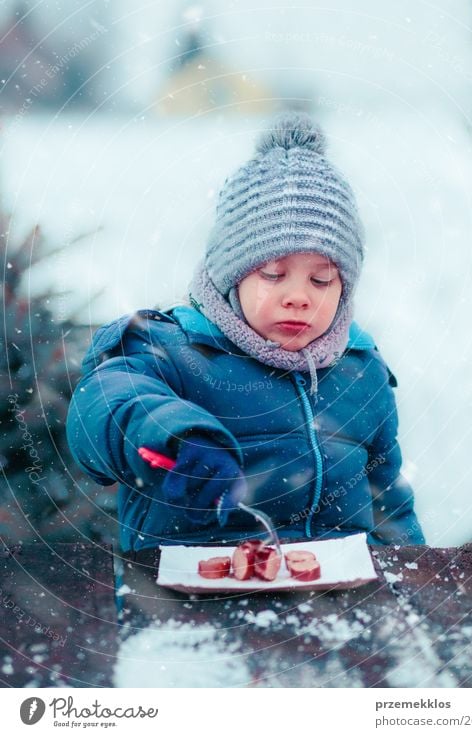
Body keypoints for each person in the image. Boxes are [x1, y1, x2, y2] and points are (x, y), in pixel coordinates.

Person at [66, 112, 426, 555]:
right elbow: (103, 404)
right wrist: (175, 437)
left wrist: (411, 577)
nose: (299, 297)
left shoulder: (359, 372)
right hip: (188, 601)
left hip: (335, 602)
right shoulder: (170, 349)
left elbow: (389, 506)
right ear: (230, 277)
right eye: (273, 274)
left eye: (321, 280)